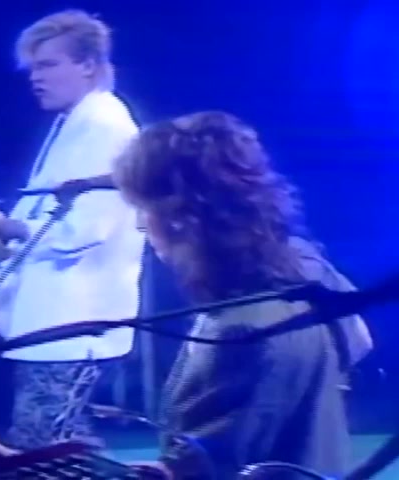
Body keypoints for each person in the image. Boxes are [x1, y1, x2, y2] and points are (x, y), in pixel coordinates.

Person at [112, 111, 373, 479]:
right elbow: (360, 341)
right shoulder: (304, 263)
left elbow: (205, 467)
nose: (140, 224)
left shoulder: (237, 331)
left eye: (144, 208)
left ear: (182, 216)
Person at [0, 10, 145, 449]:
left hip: (74, 323)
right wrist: (1, 225)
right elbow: (51, 209)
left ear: (88, 65)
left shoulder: (105, 127)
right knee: (39, 443)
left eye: (48, 65)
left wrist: (7, 225)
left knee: (47, 444)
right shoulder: (73, 123)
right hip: (49, 321)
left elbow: (86, 226)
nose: (35, 78)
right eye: (32, 68)